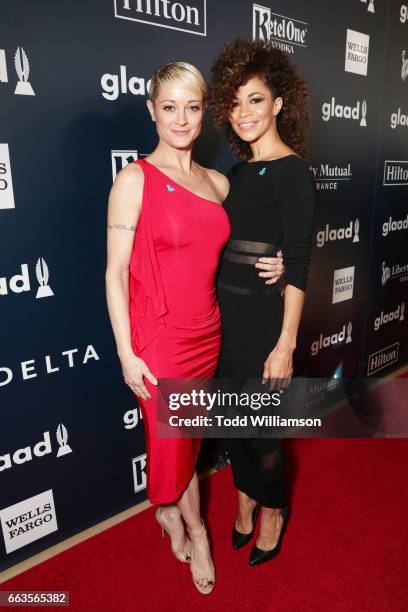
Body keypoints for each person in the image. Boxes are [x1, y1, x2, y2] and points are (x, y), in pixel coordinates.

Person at [105, 61, 284, 593]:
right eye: (168, 107)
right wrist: (124, 353)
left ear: (204, 111)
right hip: (159, 341)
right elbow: (114, 272)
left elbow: (245, 242)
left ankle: (166, 511)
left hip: (209, 333)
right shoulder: (133, 180)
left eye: (192, 107)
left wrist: (279, 264)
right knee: (174, 444)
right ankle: (196, 530)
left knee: (187, 442)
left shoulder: (217, 182)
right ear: (151, 111)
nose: (181, 119)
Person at [209, 38, 316, 566]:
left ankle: (272, 509)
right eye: (235, 102)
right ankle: (244, 496)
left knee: (263, 428)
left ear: (278, 104)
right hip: (224, 321)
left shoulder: (293, 172)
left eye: (256, 99)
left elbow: (297, 264)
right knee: (233, 424)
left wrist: (286, 344)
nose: (244, 112)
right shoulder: (236, 173)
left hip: (263, 322)